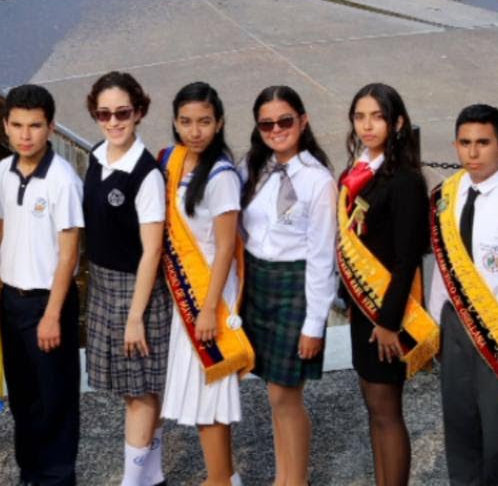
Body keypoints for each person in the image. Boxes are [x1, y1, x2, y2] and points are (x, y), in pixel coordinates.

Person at [427, 104, 498, 486]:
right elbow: (444, 271)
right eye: (465, 143)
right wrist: (435, 324)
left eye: (483, 143)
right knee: (460, 430)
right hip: (455, 323)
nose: (472, 153)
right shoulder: (449, 193)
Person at [0, 84, 84, 486]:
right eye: (18, 125)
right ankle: (31, 473)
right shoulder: (1, 173)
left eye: (35, 126)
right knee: (23, 398)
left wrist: (53, 315)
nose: (26, 135)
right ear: (5, 125)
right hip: (12, 301)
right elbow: (1, 232)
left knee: (54, 400)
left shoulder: (63, 180)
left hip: (48, 302)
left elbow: (68, 254)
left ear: (51, 128)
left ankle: (56, 478)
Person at [337, 83, 435, 486]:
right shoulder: (357, 172)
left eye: (377, 117)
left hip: (386, 314)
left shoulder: (406, 180)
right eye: (360, 117)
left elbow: (406, 257)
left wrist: (389, 321)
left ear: (397, 123)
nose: (367, 125)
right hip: (364, 309)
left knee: (387, 411)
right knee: (373, 409)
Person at [238, 86, 336, 486]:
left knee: (285, 394)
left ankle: (294, 481)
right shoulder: (252, 167)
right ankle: (285, 476)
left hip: (295, 285)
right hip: (257, 283)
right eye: (267, 123)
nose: (276, 129)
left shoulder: (317, 180)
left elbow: (322, 256)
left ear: (303, 120)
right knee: (272, 392)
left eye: (285, 121)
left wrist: (315, 323)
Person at [79, 72, 169, 486]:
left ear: (140, 112)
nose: (113, 122)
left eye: (122, 113)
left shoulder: (147, 174)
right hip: (102, 284)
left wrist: (136, 315)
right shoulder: (98, 155)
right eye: (103, 114)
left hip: (136, 290)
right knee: (134, 391)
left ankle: (132, 483)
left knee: (139, 392)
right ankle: (152, 477)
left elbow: (152, 249)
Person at [158, 82, 249, 486]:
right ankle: (223, 475)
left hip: (210, 294)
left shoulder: (221, 174)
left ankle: (219, 480)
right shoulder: (176, 163)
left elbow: (228, 243)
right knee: (200, 394)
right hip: (188, 296)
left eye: (204, 122)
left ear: (220, 123)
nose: (195, 131)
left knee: (211, 395)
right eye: (186, 122)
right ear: (176, 123)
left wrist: (209, 307)